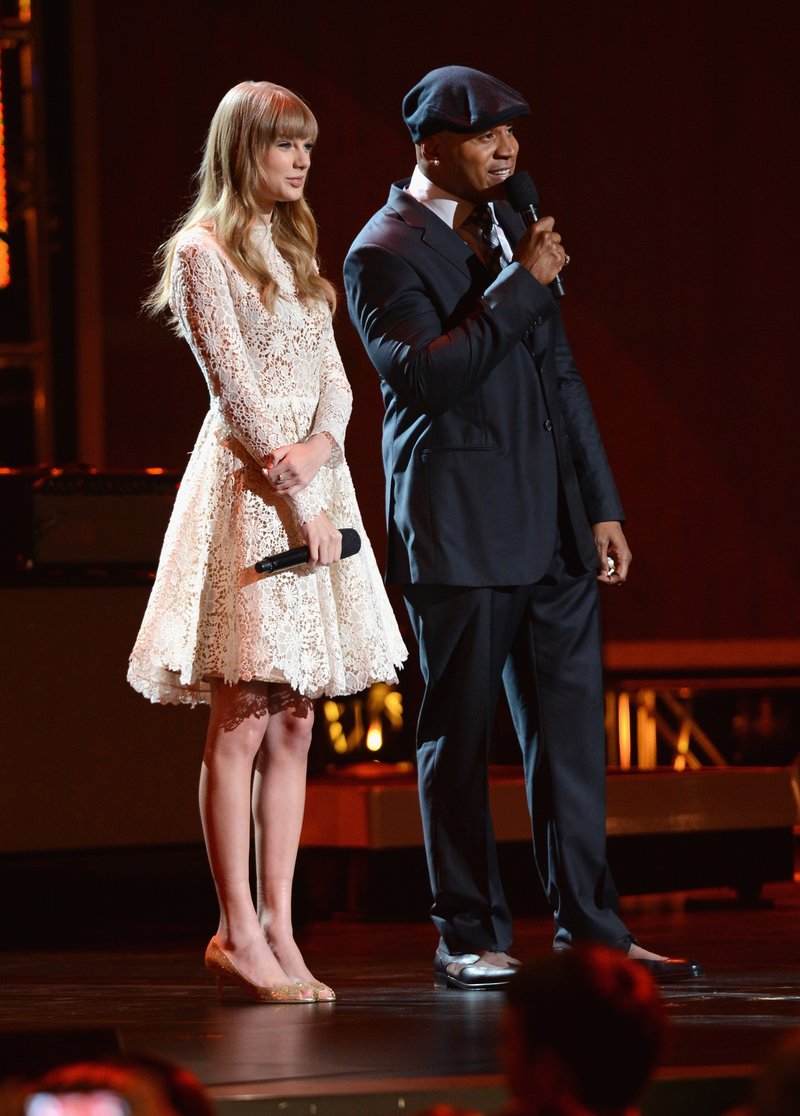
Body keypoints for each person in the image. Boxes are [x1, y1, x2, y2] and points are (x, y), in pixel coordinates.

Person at [344, 65, 702, 988]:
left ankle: (594, 930)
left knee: (573, 739)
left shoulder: (511, 227)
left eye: (514, 132)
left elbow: (561, 378)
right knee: (457, 739)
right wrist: (522, 285)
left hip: (552, 530)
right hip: (460, 530)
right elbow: (426, 376)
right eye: (485, 134)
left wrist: (601, 502)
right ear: (430, 146)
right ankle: (466, 932)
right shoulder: (381, 252)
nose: (507, 148)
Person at [127, 80, 407, 1004]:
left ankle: (284, 929)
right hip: (254, 496)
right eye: (286, 146)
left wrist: (325, 450)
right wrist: (296, 496)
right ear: (244, 150)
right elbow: (235, 395)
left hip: (318, 486)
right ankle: (235, 929)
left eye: (309, 149)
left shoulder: (295, 251)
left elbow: (338, 381)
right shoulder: (203, 253)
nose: (301, 162)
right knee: (244, 712)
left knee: (296, 718)